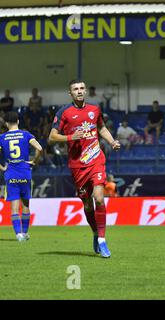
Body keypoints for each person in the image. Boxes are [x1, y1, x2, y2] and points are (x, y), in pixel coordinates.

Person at [48, 79, 120, 258]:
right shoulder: (64, 112)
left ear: (85, 91)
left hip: (96, 159)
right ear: (70, 93)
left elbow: (101, 127)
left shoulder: (95, 109)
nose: (79, 91)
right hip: (77, 165)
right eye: (75, 89)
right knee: (87, 205)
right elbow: (52, 137)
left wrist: (112, 141)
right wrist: (71, 137)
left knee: (99, 198)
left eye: (81, 88)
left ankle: (103, 240)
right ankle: (95, 232)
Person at [0, 111, 43, 241]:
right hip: (25, 171)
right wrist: (34, 161)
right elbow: (40, 148)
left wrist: (2, 168)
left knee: (14, 207)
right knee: (25, 205)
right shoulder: (26, 134)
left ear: (6, 123)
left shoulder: (2, 137)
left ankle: (18, 234)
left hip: (11, 172)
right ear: (18, 121)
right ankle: (25, 233)